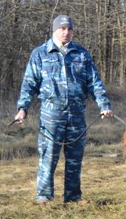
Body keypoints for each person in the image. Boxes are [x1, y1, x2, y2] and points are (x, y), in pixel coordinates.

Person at [15, 14, 113, 205]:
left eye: (69, 29)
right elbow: (29, 84)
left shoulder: (82, 54)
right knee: (48, 156)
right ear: (55, 30)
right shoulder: (40, 53)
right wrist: (22, 108)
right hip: (51, 114)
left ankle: (73, 197)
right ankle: (44, 197)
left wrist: (104, 105)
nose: (66, 32)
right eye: (62, 29)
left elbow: (94, 82)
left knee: (75, 158)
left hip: (77, 114)